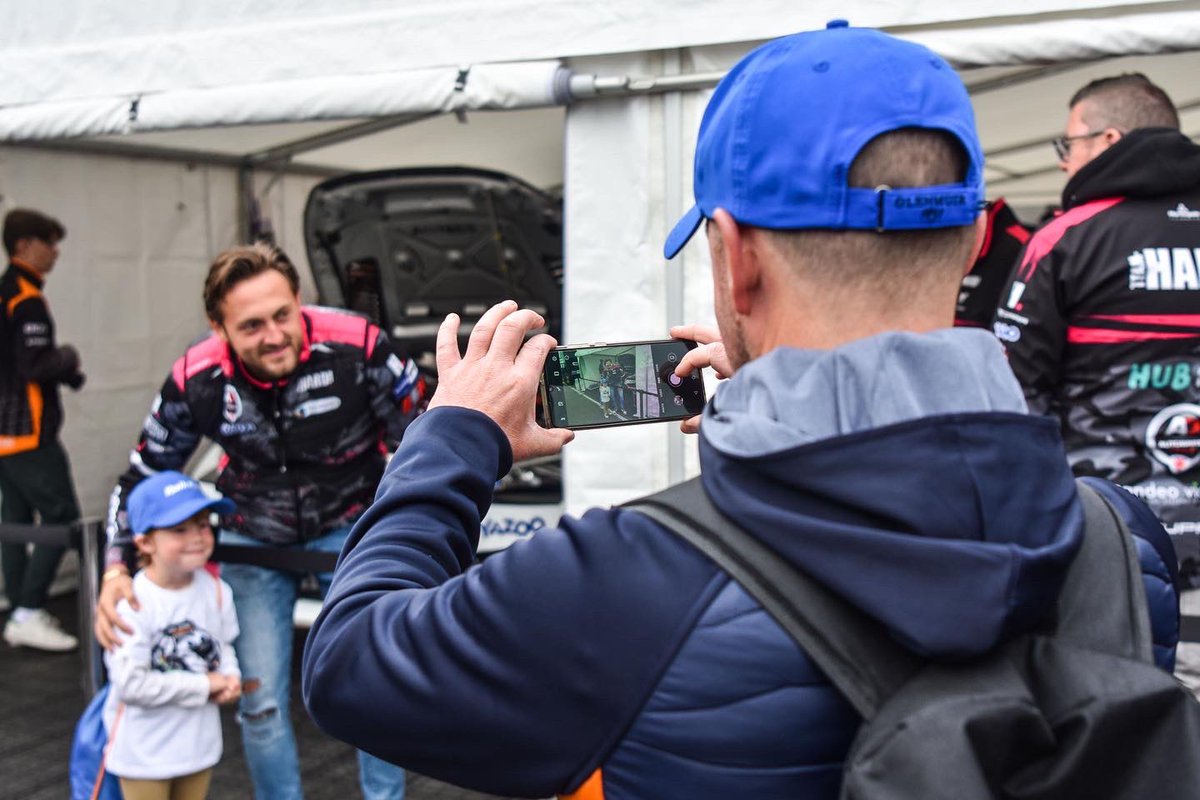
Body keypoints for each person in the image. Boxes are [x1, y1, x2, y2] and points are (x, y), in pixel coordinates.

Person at [301, 23, 1179, 800]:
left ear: (737, 261)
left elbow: (347, 664)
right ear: (978, 238)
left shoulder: (624, 576)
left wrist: (455, 437)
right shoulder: (1121, 544)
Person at [95, 243, 424, 799]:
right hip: (253, 537)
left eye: (282, 315)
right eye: (251, 326)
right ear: (218, 328)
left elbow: (422, 439)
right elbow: (141, 476)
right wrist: (113, 568)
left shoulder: (360, 346)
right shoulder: (196, 376)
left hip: (351, 528)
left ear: (299, 300)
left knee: (373, 685)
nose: (273, 335)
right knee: (260, 700)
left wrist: (404, 530)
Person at [992, 73, 1200, 691]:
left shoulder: (1064, 236)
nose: (1065, 163)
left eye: (1069, 144)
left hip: (1112, 547)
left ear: (1107, 139)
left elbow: (1015, 399)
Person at [103, 471, 241, 800]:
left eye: (204, 525)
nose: (197, 537)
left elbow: (223, 647)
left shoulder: (218, 591)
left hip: (199, 749)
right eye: (180, 529)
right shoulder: (134, 603)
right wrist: (206, 685)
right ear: (145, 542)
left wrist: (231, 677)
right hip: (144, 756)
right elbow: (131, 683)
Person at [0, 208, 85, 652]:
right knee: (60, 518)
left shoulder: (6, 292)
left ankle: (19, 611)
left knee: (14, 522)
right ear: (23, 246)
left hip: (4, 437)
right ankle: (28, 610)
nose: (54, 252)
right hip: (30, 435)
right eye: (48, 242)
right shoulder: (24, 297)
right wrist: (68, 358)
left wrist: (65, 375)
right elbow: (33, 364)